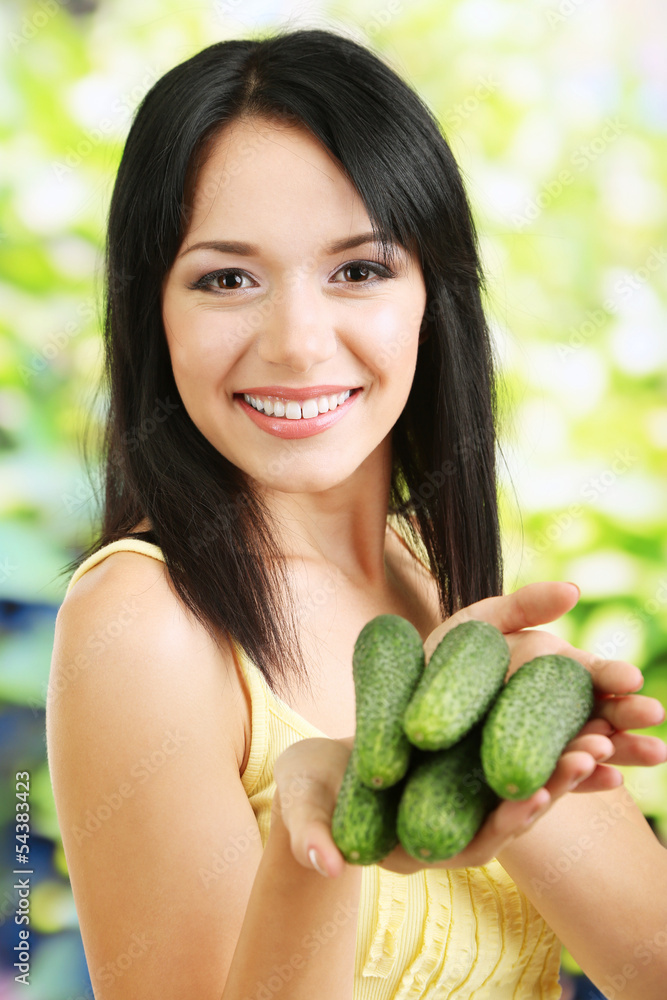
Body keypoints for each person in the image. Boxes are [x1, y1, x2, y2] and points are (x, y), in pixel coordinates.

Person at [45, 25, 667, 1000]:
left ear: (432, 295)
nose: (297, 343)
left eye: (358, 269)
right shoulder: (143, 625)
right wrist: (319, 847)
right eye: (226, 278)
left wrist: (522, 771)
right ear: (150, 311)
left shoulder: (437, 589)